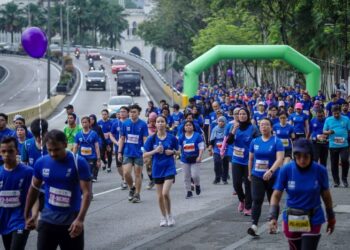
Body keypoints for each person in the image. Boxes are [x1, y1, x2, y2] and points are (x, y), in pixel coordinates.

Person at [24, 129, 92, 250]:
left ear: (65, 144)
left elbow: (87, 193)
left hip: (71, 224)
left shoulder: (79, 163)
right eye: (49, 150)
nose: (53, 154)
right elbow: (33, 189)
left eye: (56, 149)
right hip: (47, 222)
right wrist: (27, 215)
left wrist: (80, 219)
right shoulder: (41, 163)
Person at [269, 139, 336, 250]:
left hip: (313, 217)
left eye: (306, 156)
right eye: (298, 156)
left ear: (311, 155)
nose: (302, 160)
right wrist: (272, 216)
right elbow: (276, 195)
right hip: (292, 218)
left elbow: (326, 195)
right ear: (294, 156)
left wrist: (331, 216)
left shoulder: (320, 170)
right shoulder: (286, 169)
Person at [247, 118, 284, 237]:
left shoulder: (277, 141)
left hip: (273, 176)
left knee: (273, 201)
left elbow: (280, 159)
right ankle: (254, 225)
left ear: (271, 127)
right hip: (257, 175)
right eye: (261, 125)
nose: (264, 127)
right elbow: (251, 159)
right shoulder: (255, 141)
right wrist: (249, 173)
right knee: (257, 199)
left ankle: (273, 225)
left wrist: (271, 171)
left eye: (266, 125)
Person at [143, 115, 179, 227]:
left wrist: (172, 152)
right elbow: (144, 154)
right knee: (159, 196)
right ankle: (163, 217)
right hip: (157, 168)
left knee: (165, 193)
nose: (160, 124)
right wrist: (155, 151)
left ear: (166, 123)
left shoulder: (172, 138)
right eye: (158, 122)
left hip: (169, 167)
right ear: (155, 124)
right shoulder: (151, 138)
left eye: (162, 121)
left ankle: (170, 215)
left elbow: (179, 151)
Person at [0, 137, 34, 250]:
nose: (6, 155)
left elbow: (36, 196)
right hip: (3, 220)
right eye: (3, 151)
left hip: (21, 220)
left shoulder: (28, 172)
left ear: (17, 151)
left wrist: (34, 216)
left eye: (10, 151)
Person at [226, 108, 259, 216]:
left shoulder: (253, 128)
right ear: (237, 116)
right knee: (236, 184)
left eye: (244, 114)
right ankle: (242, 200)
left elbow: (258, 141)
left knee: (248, 185)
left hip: (249, 161)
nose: (242, 116)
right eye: (240, 114)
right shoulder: (234, 127)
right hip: (236, 160)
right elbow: (229, 142)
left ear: (248, 115)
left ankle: (248, 207)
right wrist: (233, 131)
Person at [118, 104, 148, 203]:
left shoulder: (143, 124)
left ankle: (137, 194)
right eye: (131, 112)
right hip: (127, 152)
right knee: (126, 173)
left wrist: (145, 153)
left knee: (137, 174)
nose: (132, 114)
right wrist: (119, 152)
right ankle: (132, 188)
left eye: (134, 112)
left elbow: (145, 140)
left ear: (138, 113)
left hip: (139, 153)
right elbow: (122, 139)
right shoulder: (125, 123)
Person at [323, 105, 350, 187]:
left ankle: (344, 178)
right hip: (333, 145)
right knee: (334, 163)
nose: (336, 115)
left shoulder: (346, 119)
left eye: (338, 113)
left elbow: (349, 130)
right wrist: (329, 132)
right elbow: (324, 131)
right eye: (334, 114)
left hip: (344, 144)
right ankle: (336, 181)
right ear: (332, 112)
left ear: (340, 111)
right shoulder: (328, 119)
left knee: (345, 160)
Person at [178, 121, 205, 198]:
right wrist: (176, 154)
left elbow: (201, 147)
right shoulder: (181, 137)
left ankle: (197, 185)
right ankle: (188, 191)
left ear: (193, 127)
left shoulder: (197, 136)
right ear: (184, 127)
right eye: (186, 125)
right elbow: (179, 148)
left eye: (190, 125)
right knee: (186, 176)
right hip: (185, 159)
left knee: (195, 175)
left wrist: (199, 156)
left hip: (195, 159)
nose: (188, 126)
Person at [73, 117, 101, 183]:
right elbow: (75, 147)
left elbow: (97, 147)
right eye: (83, 122)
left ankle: (89, 189)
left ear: (89, 123)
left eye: (86, 122)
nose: (84, 124)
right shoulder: (78, 134)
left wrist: (98, 159)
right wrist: (73, 157)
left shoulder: (94, 134)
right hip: (81, 157)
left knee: (88, 174)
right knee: (81, 173)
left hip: (91, 157)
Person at [110, 106, 129, 189]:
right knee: (119, 166)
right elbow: (111, 135)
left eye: (124, 111)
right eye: (121, 111)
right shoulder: (115, 123)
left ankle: (125, 181)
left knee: (125, 164)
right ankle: (124, 177)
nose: (122, 113)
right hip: (118, 147)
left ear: (128, 113)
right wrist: (116, 142)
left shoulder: (130, 122)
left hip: (128, 148)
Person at [209, 116, 229, 184]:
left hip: (225, 150)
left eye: (222, 121)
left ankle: (224, 179)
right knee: (217, 163)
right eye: (219, 121)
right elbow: (212, 140)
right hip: (217, 149)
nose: (221, 123)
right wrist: (210, 147)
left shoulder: (227, 129)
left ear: (225, 122)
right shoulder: (215, 129)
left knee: (225, 164)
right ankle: (217, 178)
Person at [143, 112, 157, 190]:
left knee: (156, 165)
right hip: (148, 150)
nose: (152, 122)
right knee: (148, 165)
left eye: (154, 120)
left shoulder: (160, 127)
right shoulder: (146, 127)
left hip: (158, 150)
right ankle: (152, 180)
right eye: (150, 120)